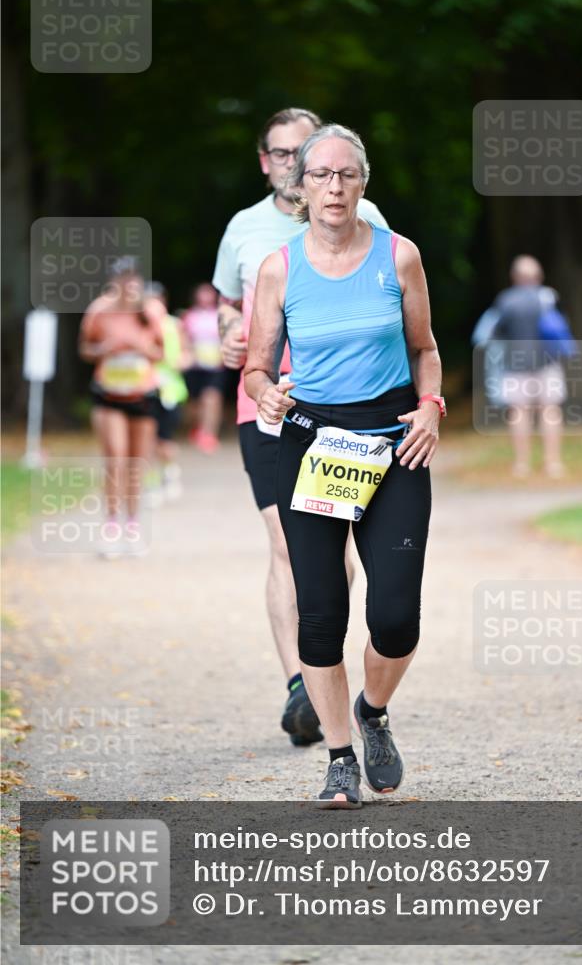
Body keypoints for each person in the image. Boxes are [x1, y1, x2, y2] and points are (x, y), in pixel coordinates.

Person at [245, 124, 443, 808]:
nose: (333, 187)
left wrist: (429, 406)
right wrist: (264, 389)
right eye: (320, 175)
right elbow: (256, 365)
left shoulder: (400, 256)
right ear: (299, 186)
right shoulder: (278, 267)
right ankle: (337, 757)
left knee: (395, 616)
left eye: (346, 174)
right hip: (313, 444)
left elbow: (425, 348)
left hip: (392, 441)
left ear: (363, 182)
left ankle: (374, 711)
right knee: (322, 614)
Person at [213, 107, 389, 748]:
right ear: (266, 161)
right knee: (285, 543)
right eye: (282, 154)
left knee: (333, 555)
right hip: (265, 405)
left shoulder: (363, 219)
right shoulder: (244, 229)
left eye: (304, 153)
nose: (294, 164)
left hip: (343, 410)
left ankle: (323, 664)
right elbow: (229, 313)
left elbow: (391, 292)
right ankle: (300, 685)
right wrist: (231, 339)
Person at [78, 257, 163, 557]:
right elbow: (85, 348)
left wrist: (142, 349)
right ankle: (111, 525)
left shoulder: (151, 311)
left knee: (136, 465)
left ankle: (133, 525)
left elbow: (164, 352)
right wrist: (104, 349)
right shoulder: (99, 310)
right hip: (109, 394)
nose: (128, 285)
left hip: (142, 395)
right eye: (122, 279)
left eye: (133, 279)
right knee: (115, 458)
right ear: (113, 282)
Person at [491, 255, 569, 479]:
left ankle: (522, 465)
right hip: (548, 363)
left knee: (519, 412)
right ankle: (553, 463)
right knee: (551, 411)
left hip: (516, 365)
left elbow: (496, 332)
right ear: (538, 276)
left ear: (515, 277)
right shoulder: (549, 297)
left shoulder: (506, 300)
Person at [147, 281, 191, 504]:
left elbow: (186, 354)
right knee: (148, 439)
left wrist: (179, 361)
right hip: (146, 388)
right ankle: (154, 482)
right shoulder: (141, 324)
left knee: (164, 440)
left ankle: (170, 474)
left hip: (170, 391)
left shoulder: (174, 325)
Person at [181, 282, 233, 453]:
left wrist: (224, 354)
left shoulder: (220, 315)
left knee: (212, 398)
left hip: (215, 366)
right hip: (195, 367)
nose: (205, 297)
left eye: (208, 294)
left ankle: (209, 433)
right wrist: (188, 354)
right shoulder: (189, 316)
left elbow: (228, 337)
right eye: (202, 294)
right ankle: (197, 428)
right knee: (194, 404)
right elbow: (183, 338)